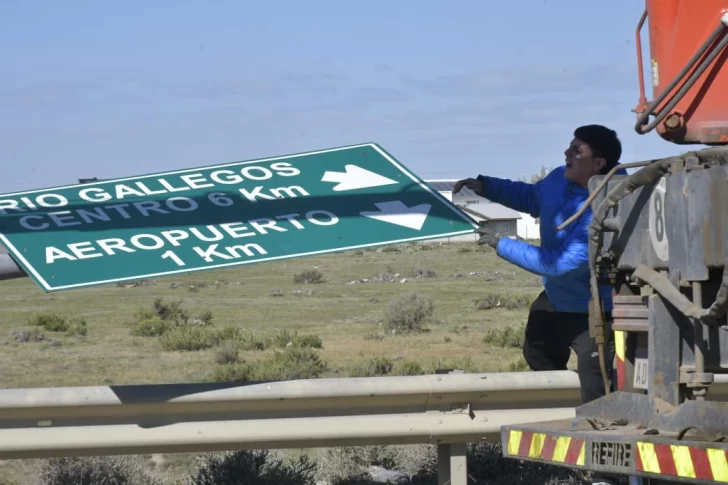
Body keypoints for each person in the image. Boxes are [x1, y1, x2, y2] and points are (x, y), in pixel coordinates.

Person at [454, 124, 625, 405]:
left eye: (576, 150)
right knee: (537, 354)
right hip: (557, 299)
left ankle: (600, 431)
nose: (566, 152)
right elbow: (533, 197)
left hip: (595, 312)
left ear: (598, 163)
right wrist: (486, 187)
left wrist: (501, 243)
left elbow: (557, 265)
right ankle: (558, 412)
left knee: (597, 387)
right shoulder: (559, 179)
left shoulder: (608, 209)